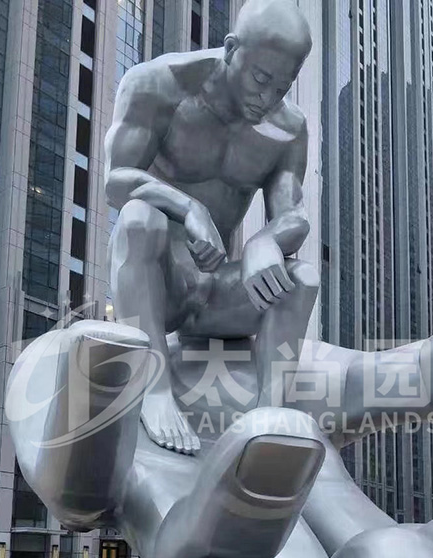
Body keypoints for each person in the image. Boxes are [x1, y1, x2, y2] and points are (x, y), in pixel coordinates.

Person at [104, 0, 317, 453]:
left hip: (216, 294)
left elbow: (293, 214)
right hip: (161, 287)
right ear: (231, 49)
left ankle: (267, 418)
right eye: (261, 79)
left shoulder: (288, 129)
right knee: (139, 218)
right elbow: (116, 181)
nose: (268, 98)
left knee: (302, 277)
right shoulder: (158, 85)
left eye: (283, 87)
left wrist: (265, 241)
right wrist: (187, 208)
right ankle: (155, 392)